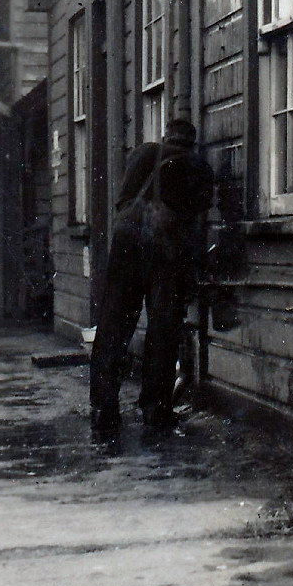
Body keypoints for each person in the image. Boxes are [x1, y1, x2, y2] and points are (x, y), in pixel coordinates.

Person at [89, 116, 214, 438]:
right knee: (163, 328)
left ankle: (104, 405)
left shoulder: (143, 153)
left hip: (127, 238)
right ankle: (155, 409)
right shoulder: (198, 167)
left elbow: (122, 200)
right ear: (191, 142)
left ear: (165, 135)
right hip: (165, 248)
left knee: (114, 323)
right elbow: (196, 221)